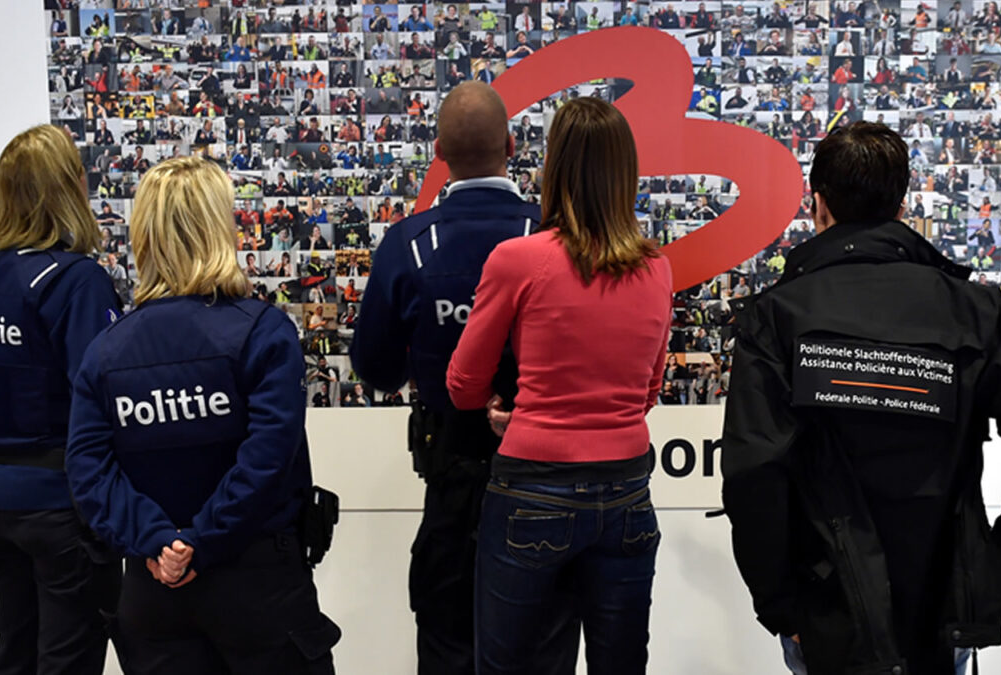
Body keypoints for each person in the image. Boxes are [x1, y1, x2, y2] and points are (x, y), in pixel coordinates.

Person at [720, 122, 1001, 675]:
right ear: (902, 203)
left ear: (817, 204)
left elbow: (753, 472)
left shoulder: (777, 315)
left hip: (825, 605)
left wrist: (777, 604)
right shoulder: (970, 308)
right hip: (942, 599)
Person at [65, 156, 340, 673]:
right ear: (220, 227)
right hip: (258, 586)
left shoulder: (105, 352)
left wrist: (162, 544)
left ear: (143, 233)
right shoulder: (261, 332)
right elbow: (267, 460)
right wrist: (199, 543)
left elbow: (90, 475)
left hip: (155, 591)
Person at [351, 81, 577, 675]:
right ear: (511, 143)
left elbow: (373, 369)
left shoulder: (406, 245)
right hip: (545, 484)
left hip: (450, 481)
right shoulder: (558, 237)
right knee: (539, 651)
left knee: (449, 648)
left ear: (439, 151)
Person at [446, 96, 673, 674]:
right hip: (626, 490)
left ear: (553, 166)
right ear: (628, 172)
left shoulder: (517, 260)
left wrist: (504, 410)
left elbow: (463, 384)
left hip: (531, 488)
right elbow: (648, 391)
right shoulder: (656, 267)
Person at [0, 125, 123, 675]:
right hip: (60, 503)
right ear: (72, 185)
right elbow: (100, 393)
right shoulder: (77, 282)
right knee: (68, 655)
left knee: (16, 645)